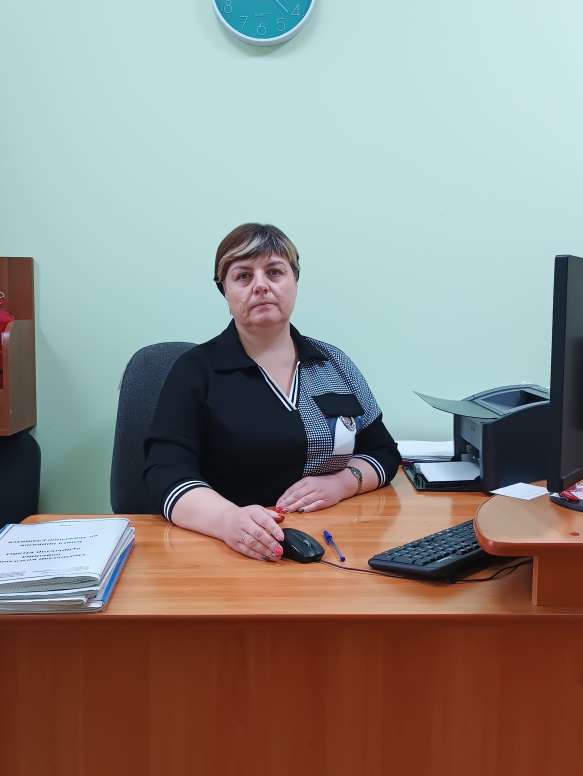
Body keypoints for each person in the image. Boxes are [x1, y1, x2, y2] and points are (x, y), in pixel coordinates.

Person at [144, 223, 401, 561]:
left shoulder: (333, 364)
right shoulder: (195, 371)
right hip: (228, 550)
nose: (261, 285)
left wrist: (342, 483)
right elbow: (165, 473)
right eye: (243, 276)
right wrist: (228, 520)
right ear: (225, 291)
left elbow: (383, 452)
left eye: (274, 272)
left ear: (295, 281)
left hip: (331, 542)